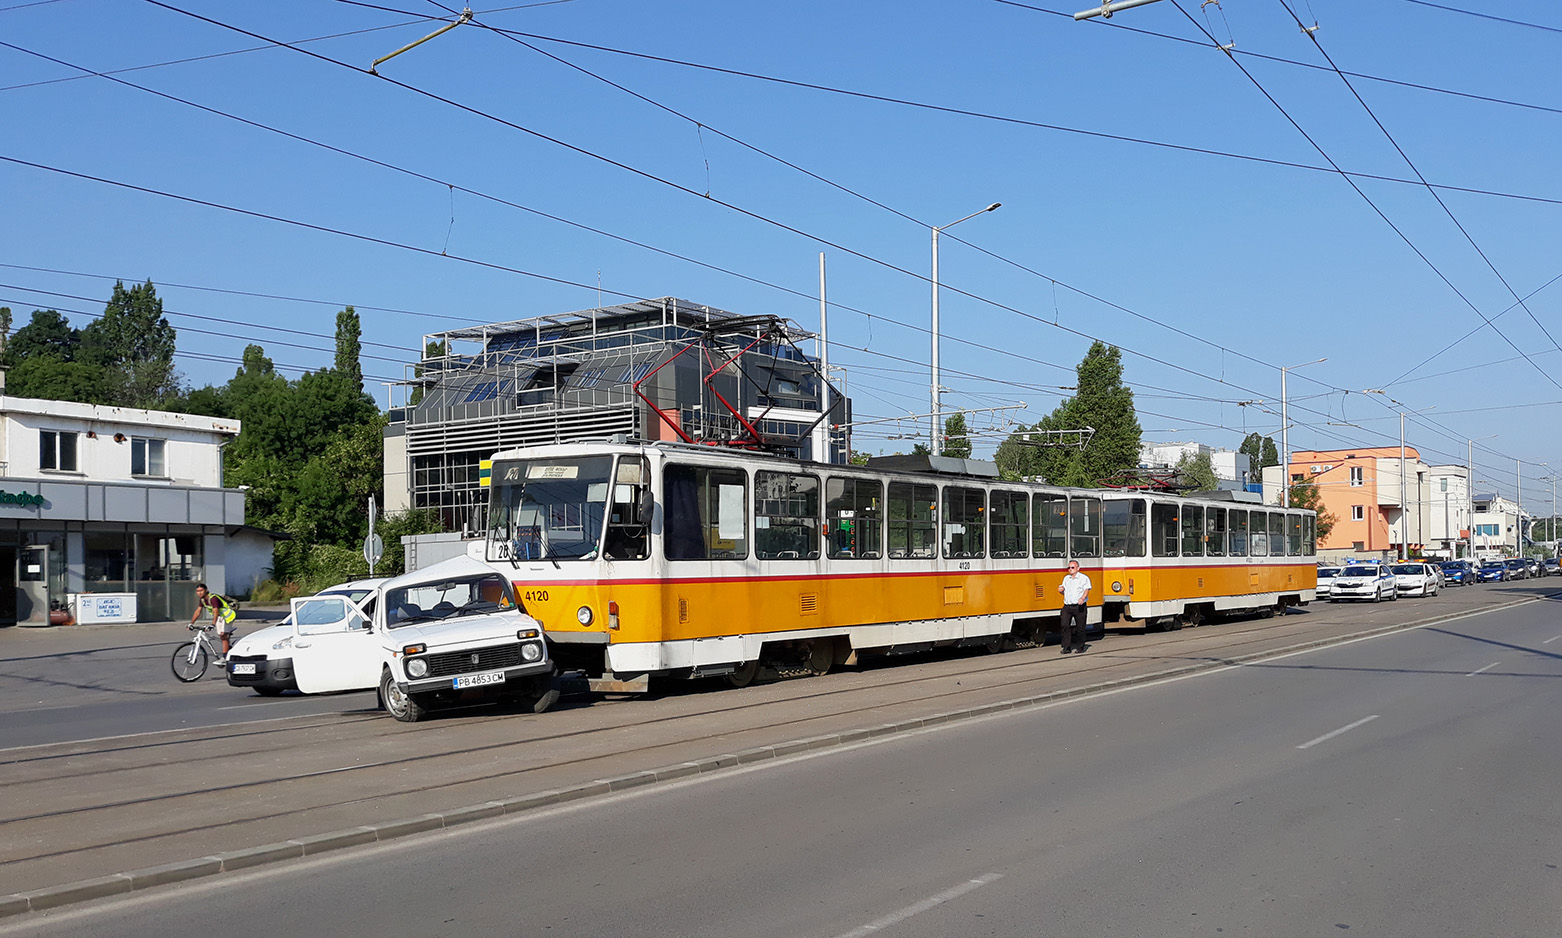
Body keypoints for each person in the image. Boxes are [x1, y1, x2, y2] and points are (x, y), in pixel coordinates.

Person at [190, 583, 238, 661]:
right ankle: (227, 643)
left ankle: (225, 658)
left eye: (201, 590)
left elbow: (215, 611)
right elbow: (198, 611)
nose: (199, 593)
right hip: (220, 617)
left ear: (206, 590)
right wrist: (191, 623)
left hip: (228, 616)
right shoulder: (202, 600)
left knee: (223, 636)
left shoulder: (213, 598)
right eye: (198, 591)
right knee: (221, 635)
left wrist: (213, 624)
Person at [1056, 559, 1091, 654]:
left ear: (1078, 568)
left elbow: (1086, 589)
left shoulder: (1083, 578)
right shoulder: (1066, 579)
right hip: (1067, 606)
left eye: (1072, 567)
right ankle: (1066, 647)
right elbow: (1064, 592)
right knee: (1064, 625)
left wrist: (1082, 598)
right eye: (1069, 567)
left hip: (1079, 606)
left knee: (1080, 628)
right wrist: (1061, 591)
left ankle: (1080, 646)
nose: (1070, 569)